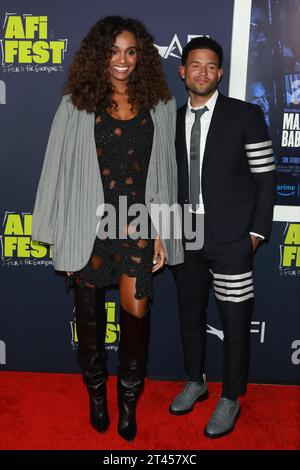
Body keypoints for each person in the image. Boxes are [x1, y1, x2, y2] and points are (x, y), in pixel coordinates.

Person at [32, 16, 183, 442]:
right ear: (100, 54)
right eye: (114, 50)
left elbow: (167, 175)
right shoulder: (76, 103)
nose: (122, 60)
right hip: (89, 223)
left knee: (137, 316)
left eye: (130, 51)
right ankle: (97, 394)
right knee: (90, 318)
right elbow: (55, 169)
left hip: (136, 224)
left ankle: (128, 401)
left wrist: (164, 231)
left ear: (141, 56)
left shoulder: (160, 105)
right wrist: (51, 229)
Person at [169, 37, 276, 438]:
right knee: (189, 314)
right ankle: (196, 381)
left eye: (210, 66)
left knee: (235, 321)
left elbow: (266, 179)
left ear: (220, 72)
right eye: (194, 65)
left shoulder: (245, 115)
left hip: (233, 240)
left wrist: (256, 234)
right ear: (183, 71)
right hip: (185, 234)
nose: (202, 73)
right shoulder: (170, 119)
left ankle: (230, 397)